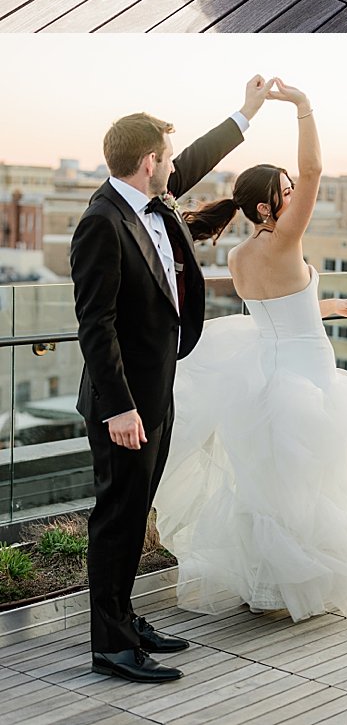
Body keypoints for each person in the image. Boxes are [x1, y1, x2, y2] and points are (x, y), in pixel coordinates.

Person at [153, 78, 347, 619]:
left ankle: (267, 589)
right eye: (286, 189)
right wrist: (302, 106)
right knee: (317, 484)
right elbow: (318, 170)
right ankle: (298, 589)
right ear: (265, 207)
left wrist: (331, 303)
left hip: (267, 373)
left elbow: (277, 309)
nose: (296, 192)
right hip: (307, 373)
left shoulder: (242, 257)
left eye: (292, 187)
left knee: (266, 486)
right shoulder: (287, 238)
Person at [69, 77, 265, 684]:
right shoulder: (102, 222)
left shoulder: (152, 198)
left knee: (137, 508)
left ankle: (126, 618)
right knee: (117, 515)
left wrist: (247, 112)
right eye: (169, 158)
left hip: (158, 388)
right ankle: (111, 645)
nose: (176, 167)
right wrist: (120, 407)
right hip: (123, 402)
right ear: (149, 162)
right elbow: (94, 325)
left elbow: (202, 154)